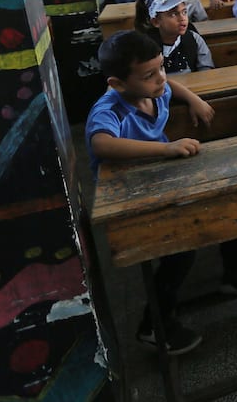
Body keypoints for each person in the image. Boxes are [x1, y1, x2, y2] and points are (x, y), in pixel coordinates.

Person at [86, 30, 213, 354]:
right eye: (149, 75)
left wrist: (194, 99)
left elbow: (170, 86)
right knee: (181, 249)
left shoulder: (155, 91)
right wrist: (165, 149)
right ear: (117, 84)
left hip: (156, 181)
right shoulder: (110, 109)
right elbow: (101, 142)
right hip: (126, 193)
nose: (160, 79)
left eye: (161, 68)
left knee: (200, 225)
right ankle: (153, 325)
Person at [137, 0, 214, 74]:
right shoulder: (146, 46)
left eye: (184, 12)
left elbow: (206, 67)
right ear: (156, 22)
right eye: (173, 14)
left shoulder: (194, 38)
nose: (182, 18)